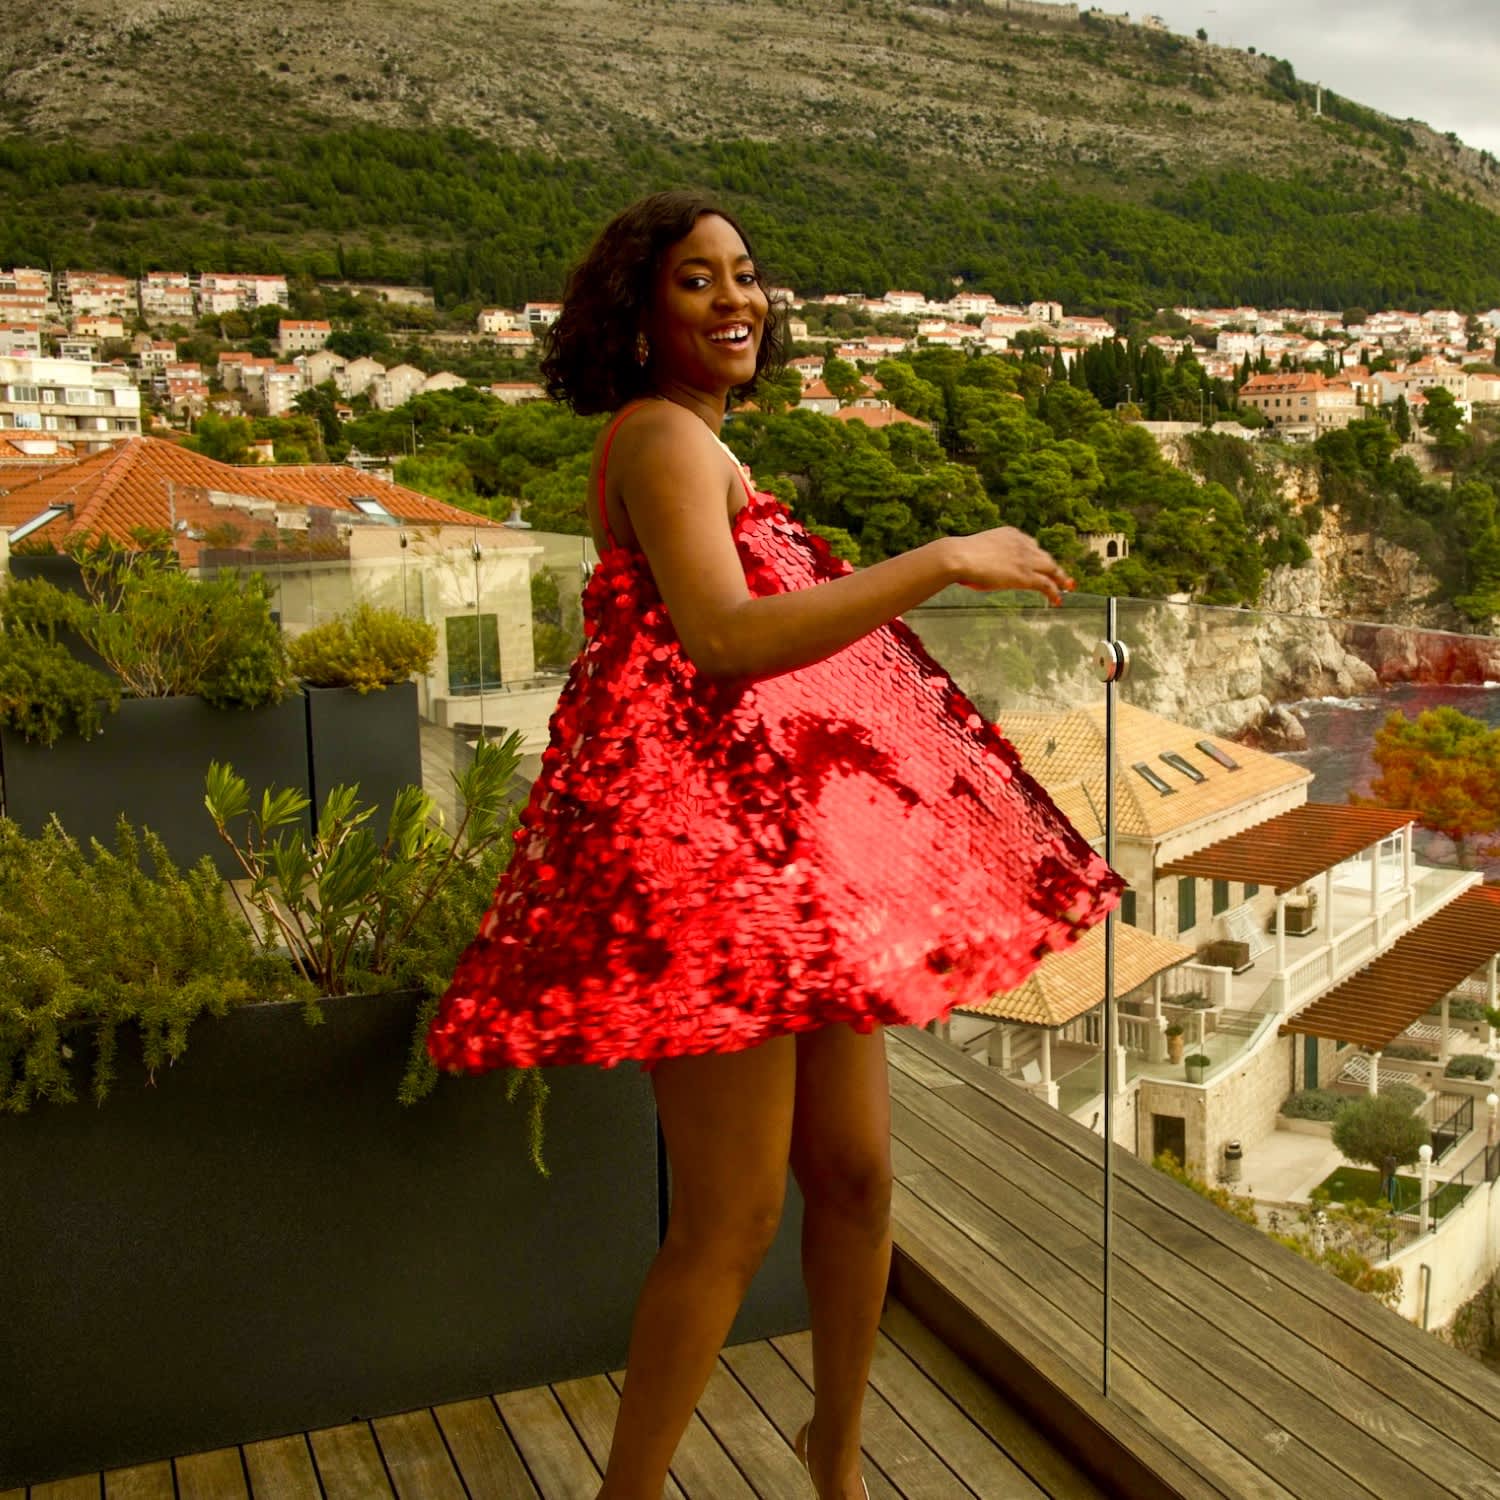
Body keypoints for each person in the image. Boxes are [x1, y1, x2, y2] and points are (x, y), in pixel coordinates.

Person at [426, 191, 1121, 1500]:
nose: (735, 300)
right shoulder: (662, 443)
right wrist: (942, 560)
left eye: (746, 274)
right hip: (710, 883)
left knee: (854, 1182)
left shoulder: (703, 447)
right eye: (696, 281)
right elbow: (729, 641)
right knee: (733, 1220)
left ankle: (835, 1464)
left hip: (781, 867)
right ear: (638, 315)